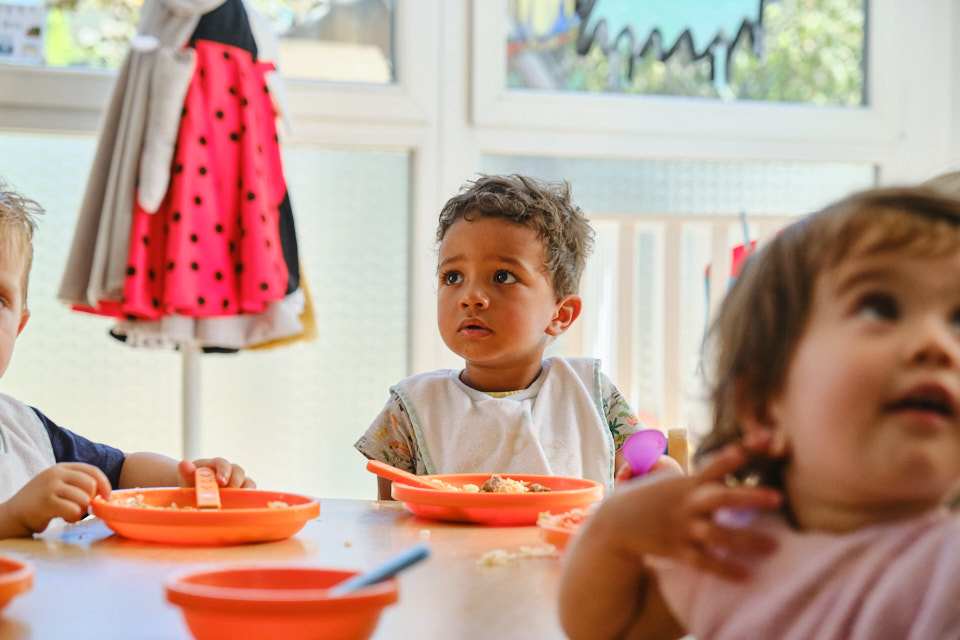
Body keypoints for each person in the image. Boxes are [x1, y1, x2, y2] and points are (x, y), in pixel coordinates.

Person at [559, 186, 960, 639]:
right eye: (879, 307)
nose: (939, 345)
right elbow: (611, 631)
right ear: (764, 406)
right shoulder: (733, 546)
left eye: (959, 321)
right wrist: (613, 533)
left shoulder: (947, 567)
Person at [356, 174, 676, 499]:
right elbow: (388, 516)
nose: (471, 297)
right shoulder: (411, 408)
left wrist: (658, 475)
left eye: (502, 276)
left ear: (560, 315)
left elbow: (643, 469)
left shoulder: (592, 392)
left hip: (573, 534)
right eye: (452, 277)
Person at [0, 186, 254, 538]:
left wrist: (183, 480)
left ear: (19, 326)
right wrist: (12, 516)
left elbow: (122, 471)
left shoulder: (25, 430)